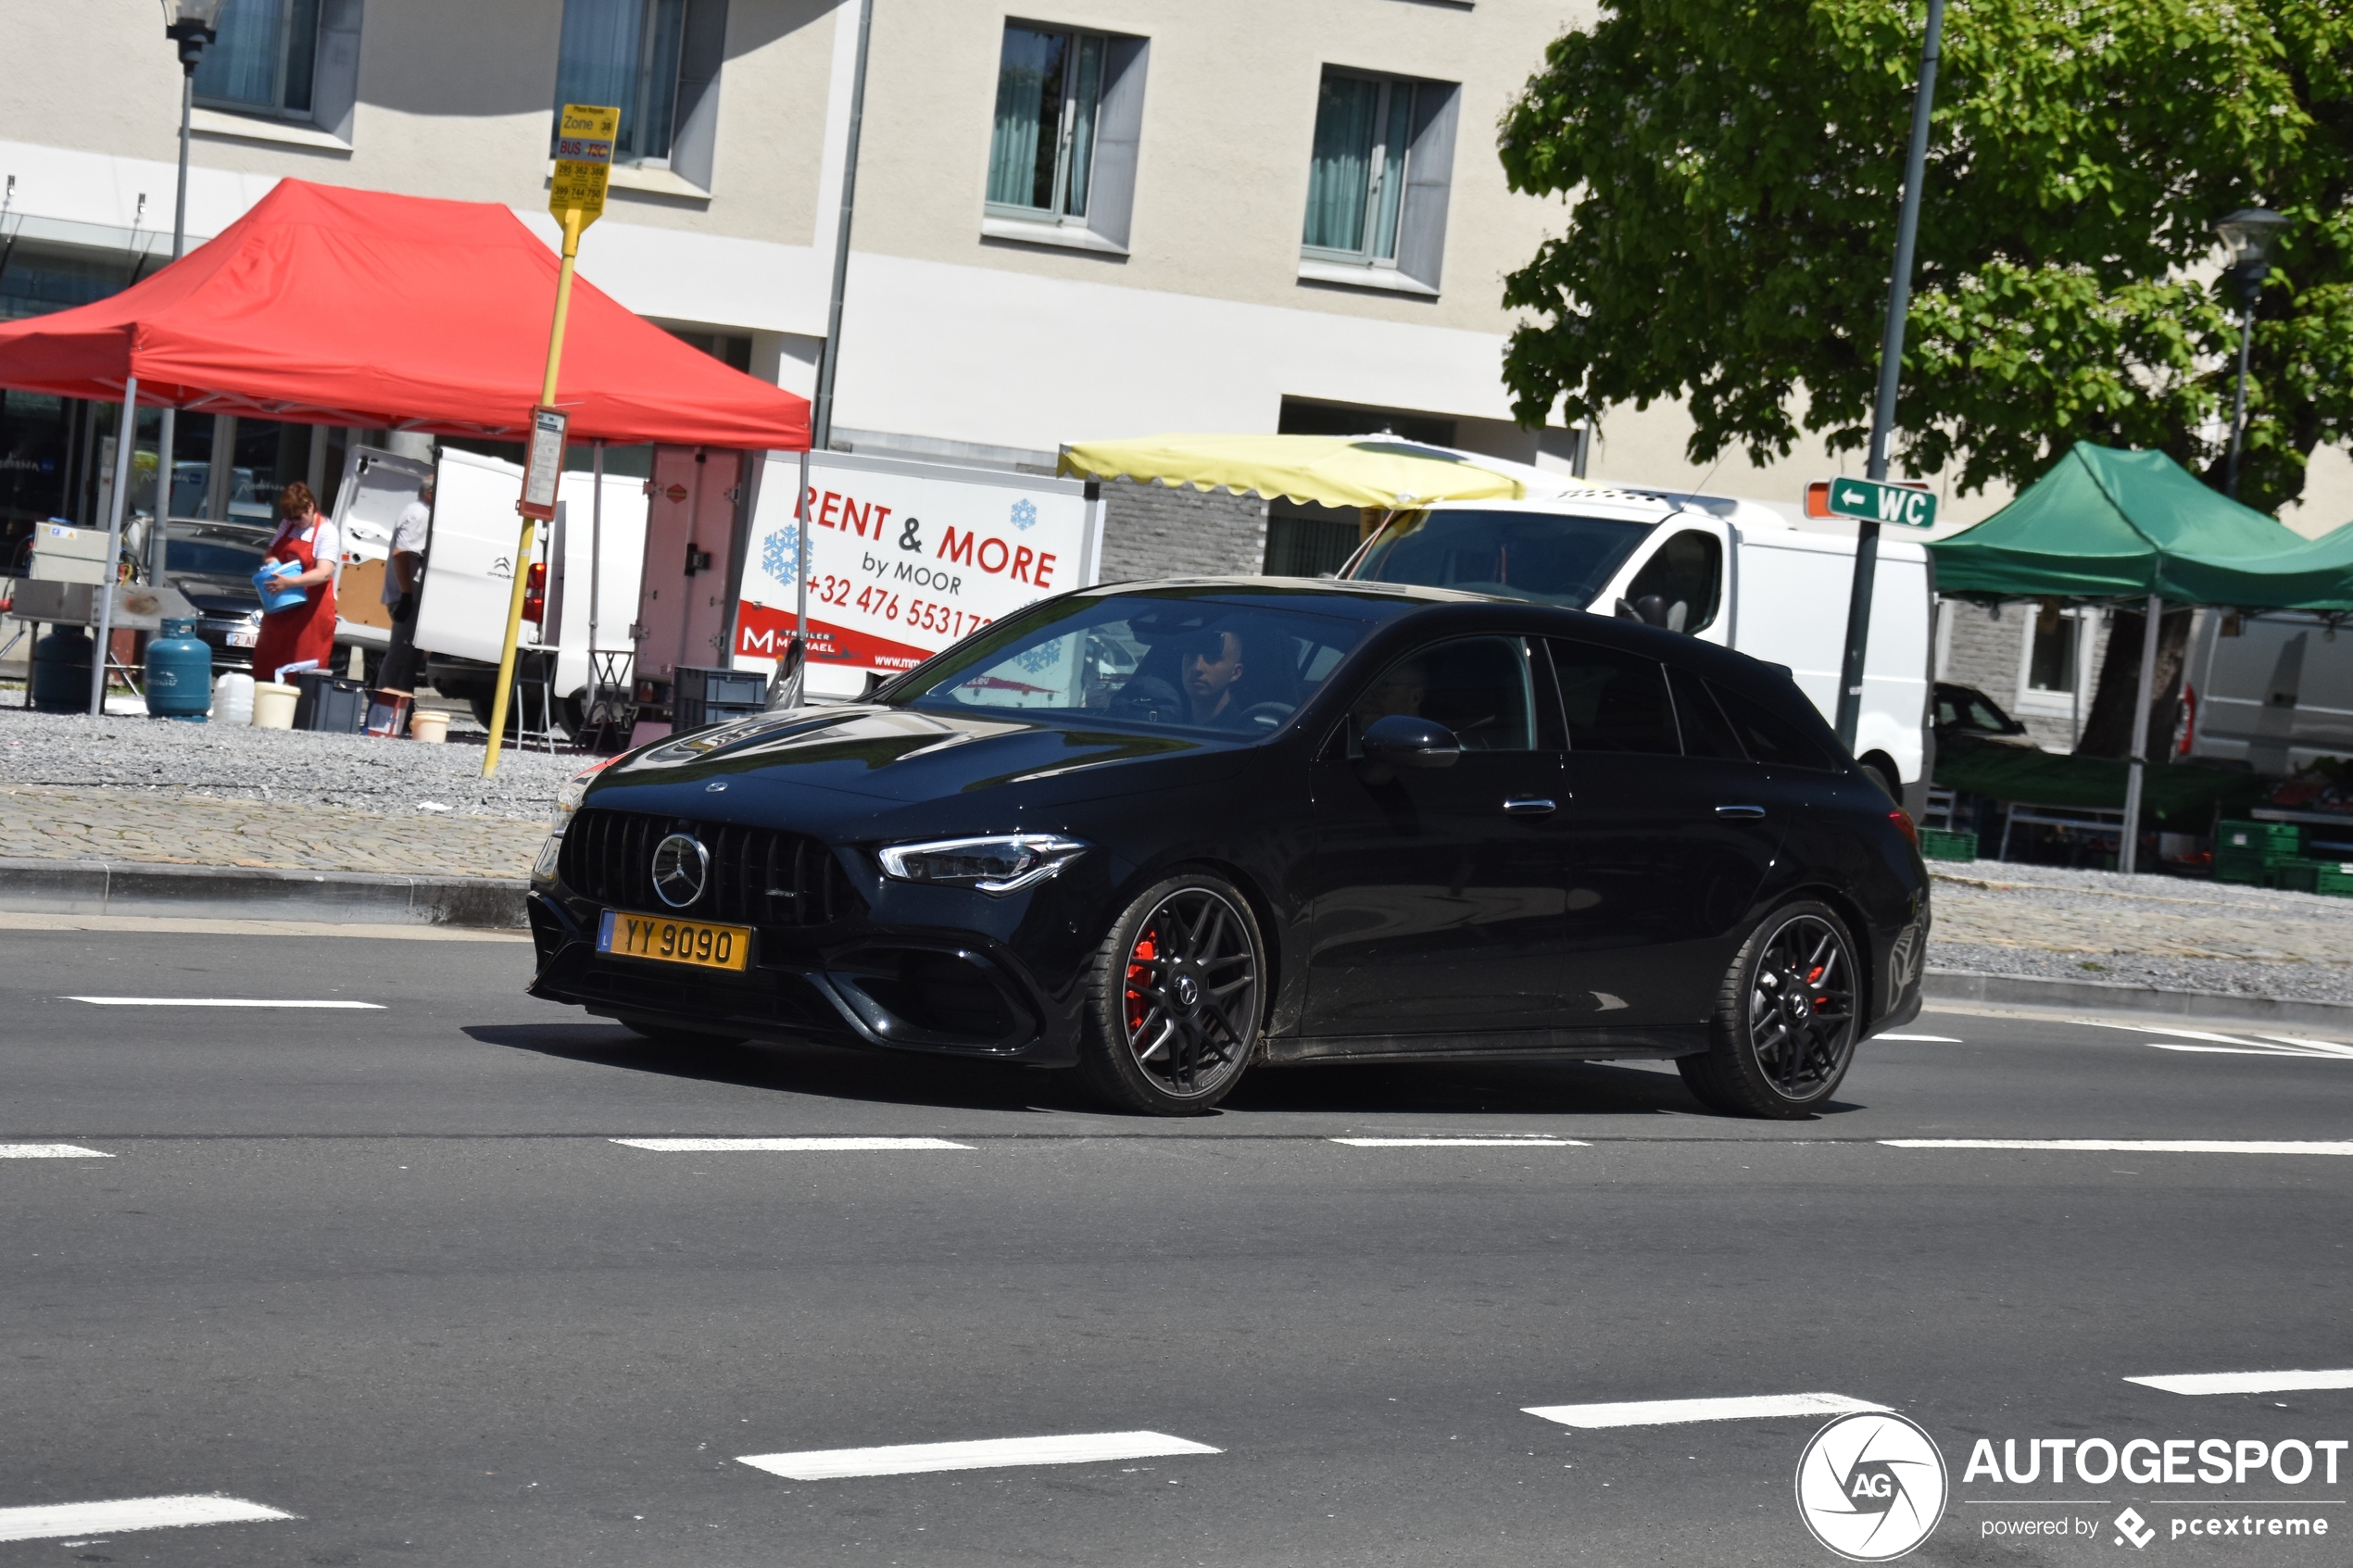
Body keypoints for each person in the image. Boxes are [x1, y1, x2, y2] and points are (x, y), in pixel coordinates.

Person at [248, 481, 338, 684]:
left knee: (303, 666)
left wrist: (290, 582)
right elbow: (270, 553)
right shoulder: (287, 525)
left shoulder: (327, 532)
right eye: (290, 518)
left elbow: (324, 573)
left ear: (311, 506)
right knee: (269, 662)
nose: (295, 522)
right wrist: (275, 567)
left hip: (312, 611)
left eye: (298, 517)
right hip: (282, 606)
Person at [377, 474, 432, 695]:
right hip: (407, 596)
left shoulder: (417, 511)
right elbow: (400, 554)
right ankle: (382, 711)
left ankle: (400, 712)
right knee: (401, 655)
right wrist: (407, 595)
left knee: (410, 657)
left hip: (407, 594)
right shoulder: (420, 514)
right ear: (430, 494)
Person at [1180, 629, 1246, 726]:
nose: (1197, 667)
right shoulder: (1162, 722)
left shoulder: (1248, 734)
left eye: (1212, 658)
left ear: (1235, 672)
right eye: (1191, 656)